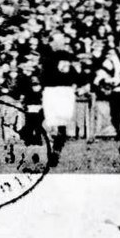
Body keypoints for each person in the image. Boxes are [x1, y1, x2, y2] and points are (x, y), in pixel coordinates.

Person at [40, 31, 81, 166]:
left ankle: (54, 150)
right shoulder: (69, 56)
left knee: (53, 123)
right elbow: (76, 74)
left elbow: (44, 76)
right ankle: (55, 150)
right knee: (59, 124)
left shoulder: (47, 57)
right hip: (63, 91)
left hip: (54, 91)